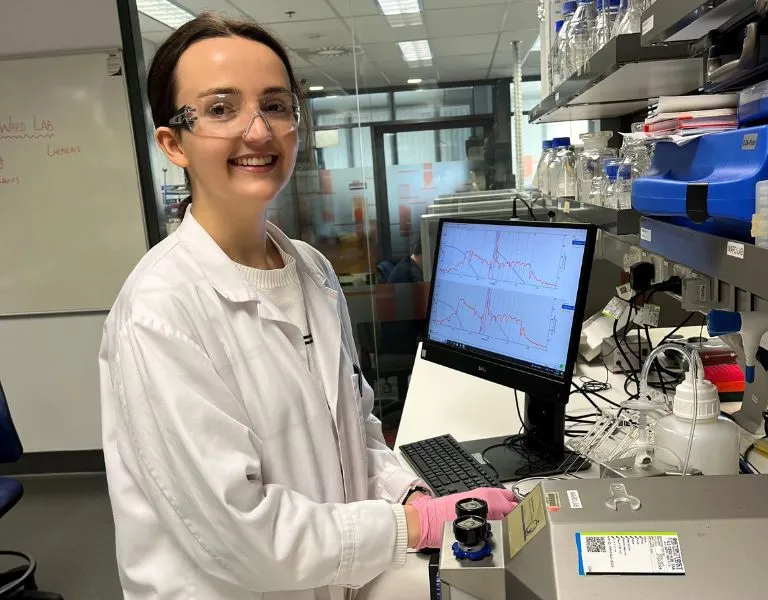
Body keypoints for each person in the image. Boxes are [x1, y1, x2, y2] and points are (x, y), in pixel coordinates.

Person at [99, 13, 517, 600]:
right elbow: (243, 543)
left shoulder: (310, 270)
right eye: (221, 108)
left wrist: (409, 495)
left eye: (275, 105)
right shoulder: (160, 313)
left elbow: (357, 430)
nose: (258, 131)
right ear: (173, 144)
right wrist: (412, 526)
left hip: (335, 580)